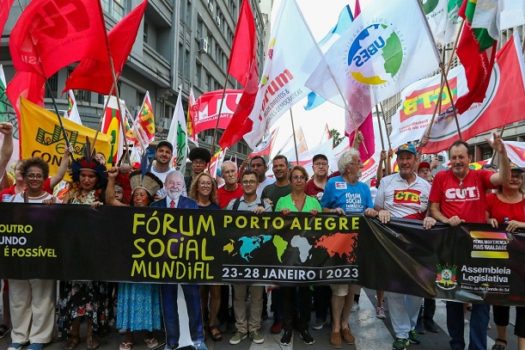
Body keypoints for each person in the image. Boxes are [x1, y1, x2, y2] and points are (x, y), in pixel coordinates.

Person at [429, 136, 510, 350]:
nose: (457, 161)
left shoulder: (480, 175)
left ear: (468, 158)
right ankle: (456, 344)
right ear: (449, 160)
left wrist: (502, 152)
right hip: (450, 249)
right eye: (453, 157)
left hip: (480, 250)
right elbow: (434, 208)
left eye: (461, 157)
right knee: (452, 299)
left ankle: (477, 347)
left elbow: (502, 178)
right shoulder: (440, 178)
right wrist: (446, 220)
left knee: (481, 302)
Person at [374, 143, 436, 350]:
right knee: (395, 290)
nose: (405, 162)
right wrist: (380, 212)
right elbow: (377, 208)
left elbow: (431, 211)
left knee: (418, 290)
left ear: (416, 160)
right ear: (397, 160)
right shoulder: (386, 182)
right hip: (392, 245)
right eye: (401, 158)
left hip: (418, 246)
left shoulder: (426, 186)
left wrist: (430, 218)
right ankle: (401, 333)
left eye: (408, 158)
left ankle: (409, 326)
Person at [320, 148, 378, 348]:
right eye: (357, 162)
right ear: (347, 167)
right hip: (339, 247)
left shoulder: (363, 187)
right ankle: (336, 327)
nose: (361, 165)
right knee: (339, 290)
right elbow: (322, 209)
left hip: (359, 246)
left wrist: (371, 211)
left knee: (352, 290)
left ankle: (345, 324)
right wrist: (333, 211)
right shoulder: (333, 184)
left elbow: (369, 209)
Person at [106, 167, 163, 350]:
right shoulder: (126, 211)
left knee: (147, 296)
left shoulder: (158, 215)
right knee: (128, 297)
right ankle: (129, 336)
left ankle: (148, 333)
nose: (138, 198)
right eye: (136, 194)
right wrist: (112, 179)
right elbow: (109, 200)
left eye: (142, 195)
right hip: (128, 263)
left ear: (149, 198)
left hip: (148, 265)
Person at [58, 156, 111, 350]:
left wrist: (99, 211)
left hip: (95, 255)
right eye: (83, 175)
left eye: (91, 176)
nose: (87, 180)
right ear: (78, 176)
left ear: (97, 179)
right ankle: (72, 334)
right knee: (72, 294)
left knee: (93, 296)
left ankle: (91, 333)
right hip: (72, 252)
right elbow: (59, 216)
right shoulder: (68, 194)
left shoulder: (102, 195)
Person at [151, 170, 207, 350]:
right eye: (171, 183)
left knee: (193, 300)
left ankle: (198, 339)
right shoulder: (155, 207)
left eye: (178, 183)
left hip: (187, 263)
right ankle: (172, 341)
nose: (175, 186)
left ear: (183, 187)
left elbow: (197, 232)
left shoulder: (191, 205)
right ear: (165, 185)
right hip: (164, 264)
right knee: (168, 302)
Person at [7, 158, 56, 350]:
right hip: (18, 256)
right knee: (18, 298)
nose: (35, 178)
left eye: (39, 176)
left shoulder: (53, 200)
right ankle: (19, 337)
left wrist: (56, 210)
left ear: (44, 178)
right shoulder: (13, 200)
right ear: (24, 178)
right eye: (31, 175)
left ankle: (39, 338)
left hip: (44, 256)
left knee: (43, 298)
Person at [275, 165, 319, 346]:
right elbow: (274, 227)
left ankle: (304, 327)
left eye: (302, 177)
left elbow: (323, 230)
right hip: (287, 256)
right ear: (291, 180)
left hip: (307, 256)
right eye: (295, 177)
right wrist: (281, 216)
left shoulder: (314, 202)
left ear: (306, 180)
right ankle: (288, 327)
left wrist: (318, 217)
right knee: (287, 292)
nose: (299, 180)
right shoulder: (282, 201)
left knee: (305, 294)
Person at [227, 169, 270, 345]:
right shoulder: (233, 205)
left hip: (258, 259)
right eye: (245, 181)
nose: (248, 184)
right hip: (239, 259)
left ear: (257, 184)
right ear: (241, 183)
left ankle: (254, 328)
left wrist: (265, 212)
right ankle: (241, 329)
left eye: (252, 181)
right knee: (238, 295)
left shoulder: (266, 205)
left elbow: (274, 228)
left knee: (257, 296)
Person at [486, 164, 525, 350]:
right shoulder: (491, 198)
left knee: (523, 303)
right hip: (498, 260)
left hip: (523, 262)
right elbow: (482, 217)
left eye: (518, 175)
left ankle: (522, 344)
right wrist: (488, 220)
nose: (515, 178)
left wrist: (522, 224)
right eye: (511, 175)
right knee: (500, 300)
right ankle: (501, 338)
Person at [188, 172, 223, 342]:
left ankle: (213, 323)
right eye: (202, 183)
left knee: (215, 292)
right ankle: (200, 323)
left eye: (208, 183)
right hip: (195, 256)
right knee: (200, 292)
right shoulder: (189, 206)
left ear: (212, 187)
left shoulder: (216, 208)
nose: (205, 186)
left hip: (213, 255)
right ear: (196, 185)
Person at [261, 155, 291, 334]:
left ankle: (291, 316)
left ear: (287, 168)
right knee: (276, 282)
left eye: (282, 165)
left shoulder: (293, 188)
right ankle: (278, 318)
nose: (279, 168)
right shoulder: (267, 190)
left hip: (292, 241)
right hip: (274, 242)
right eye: (276, 166)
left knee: (292, 282)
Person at [305, 154, 331, 330]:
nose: (321, 166)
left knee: (328, 277)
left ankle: (325, 312)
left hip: (332, 238)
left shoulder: (334, 182)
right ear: (313, 167)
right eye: (318, 164)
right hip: (310, 238)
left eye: (324, 164)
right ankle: (316, 313)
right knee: (314, 278)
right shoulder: (307, 186)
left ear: (328, 166)